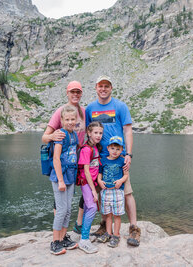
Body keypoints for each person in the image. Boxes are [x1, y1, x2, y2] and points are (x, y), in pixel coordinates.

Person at [86, 75, 141, 247]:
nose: (103, 89)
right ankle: (104, 225)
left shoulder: (120, 106)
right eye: (100, 86)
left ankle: (134, 227)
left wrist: (129, 155)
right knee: (102, 192)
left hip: (118, 158)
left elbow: (128, 131)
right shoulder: (90, 109)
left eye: (107, 86)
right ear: (96, 87)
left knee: (127, 192)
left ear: (111, 88)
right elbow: (89, 132)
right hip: (99, 159)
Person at [42, 80, 86, 232]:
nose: (75, 94)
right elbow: (44, 137)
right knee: (61, 199)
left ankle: (73, 228)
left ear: (81, 94)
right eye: (72, 91)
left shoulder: (83, 112)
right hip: (63, 160)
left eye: (78, 92)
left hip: (78, 159)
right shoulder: (61, 111)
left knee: (78, 193)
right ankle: (59, 233)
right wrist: (53, 136)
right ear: (67, 93)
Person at [49, 105, 79, 255]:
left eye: (72, 119)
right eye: (67, 119)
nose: (70, 122)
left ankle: (63, 239)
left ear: (76, 119)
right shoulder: (61, 134)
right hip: (60, 177)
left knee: (68, 210)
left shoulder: (74, 134)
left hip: (71, 176)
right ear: (61, 120)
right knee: (60, 210)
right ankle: (55, 242)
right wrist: (60, 180)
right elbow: (56, 158)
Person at [96, 136, 129, 248]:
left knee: (117, 215)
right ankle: (108, 233)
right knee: (108, 214)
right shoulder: (103, 160)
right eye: (113, 148)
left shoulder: (122, 160)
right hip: (105, 191)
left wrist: (120, 181)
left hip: (117, 191)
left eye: (118, 149)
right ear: (108, 148)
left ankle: (116, 235)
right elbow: (100, 173)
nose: (115, 151)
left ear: (121, 150)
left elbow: (126, 175)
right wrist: (99, 181)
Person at [77, 121, 103, 254]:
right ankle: (84, 240)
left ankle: (83, 234)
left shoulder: (96, 147)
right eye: (96, 133)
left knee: (88, 207)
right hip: (86, 183)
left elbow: (96, 166)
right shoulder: (86, 149)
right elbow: (86, 172)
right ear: (89, 133)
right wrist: (94, 190)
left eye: (100, 133)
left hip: (92, 182)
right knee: (92, 206)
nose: (98, 135)